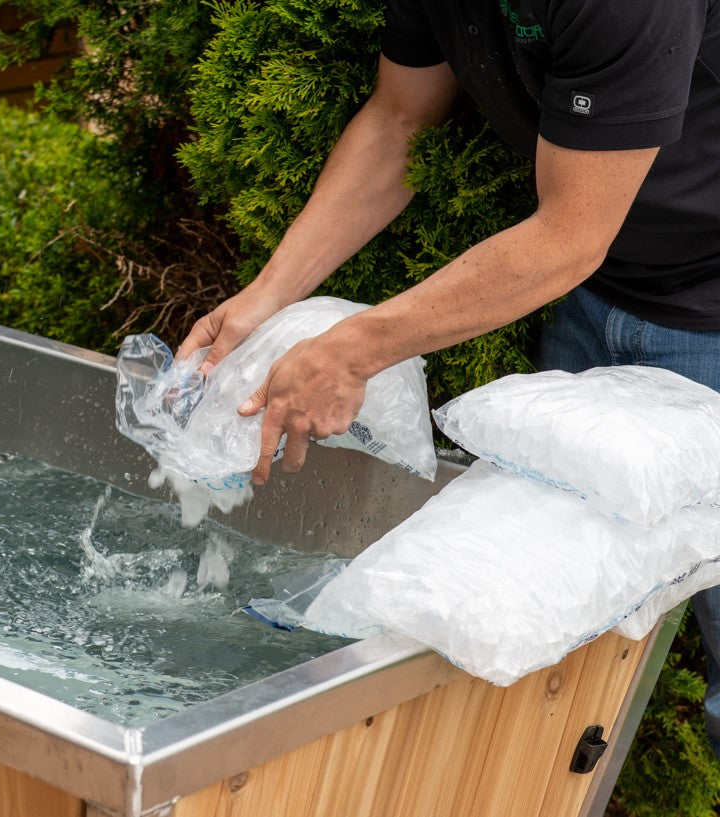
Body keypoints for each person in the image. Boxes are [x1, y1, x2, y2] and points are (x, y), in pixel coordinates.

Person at [176, 1, 720, 758]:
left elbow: (568, 237)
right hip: (602, 293)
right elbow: (400, 119)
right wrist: (269, 296)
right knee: (537, 614)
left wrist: (352, 350)